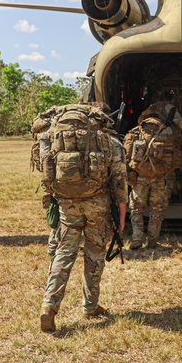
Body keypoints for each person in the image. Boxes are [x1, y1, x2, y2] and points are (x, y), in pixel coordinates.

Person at [39, 104, 128, 332]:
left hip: (67, 204)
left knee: (64, 253)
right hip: (98, 204)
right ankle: (90, 306)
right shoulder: (109, 141)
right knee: (95, 254)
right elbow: (119, 181)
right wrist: (121, 216)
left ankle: (49, 306)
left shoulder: (57, 137)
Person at [123, 115, 175, 250]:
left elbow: (127, 156)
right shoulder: (166, 133)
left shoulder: (135, 133)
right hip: (158, 178)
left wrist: (130, 175)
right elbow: (173, 158)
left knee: (136, 209)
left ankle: (137, 239)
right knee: (157, 210)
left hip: (140, 177)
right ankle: (152, 241)